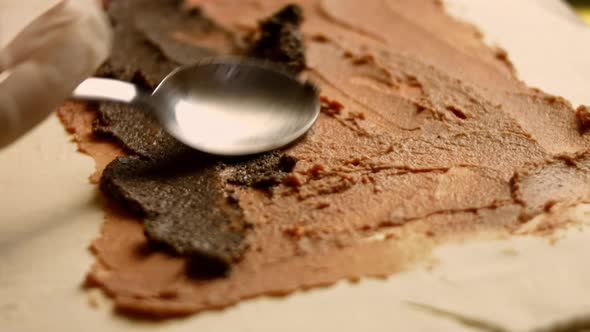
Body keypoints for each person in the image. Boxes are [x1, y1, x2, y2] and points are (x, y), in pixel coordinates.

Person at [0, 0, 111, 149]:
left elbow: (20, 46)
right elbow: (15, 50)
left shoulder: (82, 13)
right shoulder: (101, 37)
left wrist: (6, 58)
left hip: (37, 98)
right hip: (37, 96)